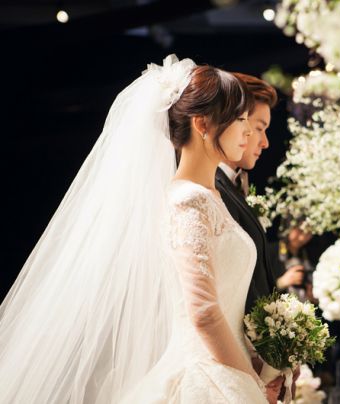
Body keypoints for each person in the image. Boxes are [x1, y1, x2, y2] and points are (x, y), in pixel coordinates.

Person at [0, 55, 277, 403]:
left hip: (228, 367)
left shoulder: (211, 197)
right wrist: (250, 381)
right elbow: (204, 312)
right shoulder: (188, 201)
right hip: (210, 376)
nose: (249, 132)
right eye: (240, 119)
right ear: (203, 124)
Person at [215, 72, 301, 398]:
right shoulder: (213, 192)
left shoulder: (233, 186)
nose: (264, 142)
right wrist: (259, 365)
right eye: (258, 128)